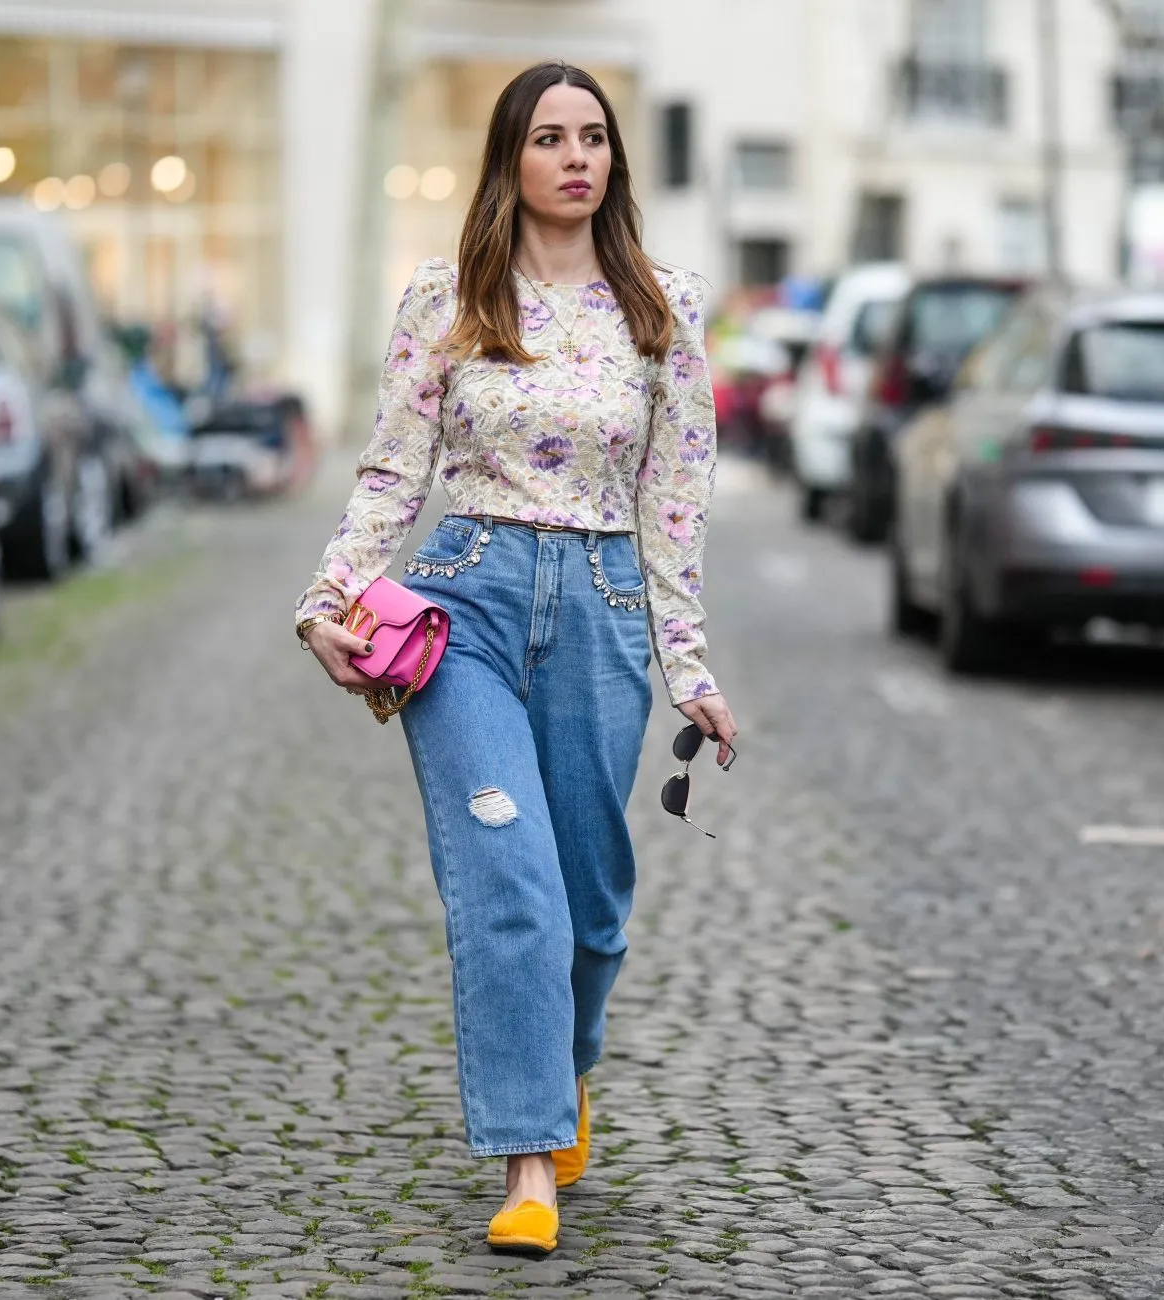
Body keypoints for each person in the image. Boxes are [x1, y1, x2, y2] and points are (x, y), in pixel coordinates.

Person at [293, 60, 738, 1256]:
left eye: (593, 136)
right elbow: (391, 472)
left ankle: (565, 1066)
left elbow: (675, 508)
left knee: (591, 909)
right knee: (511, 891)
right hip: (465, 607)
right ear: (510, 159)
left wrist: (688, 666)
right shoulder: (446, 299)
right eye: (548, 138)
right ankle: (527, 1156)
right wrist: (326, 598)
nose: (575, 156)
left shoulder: (661, 307)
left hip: (599, 608)